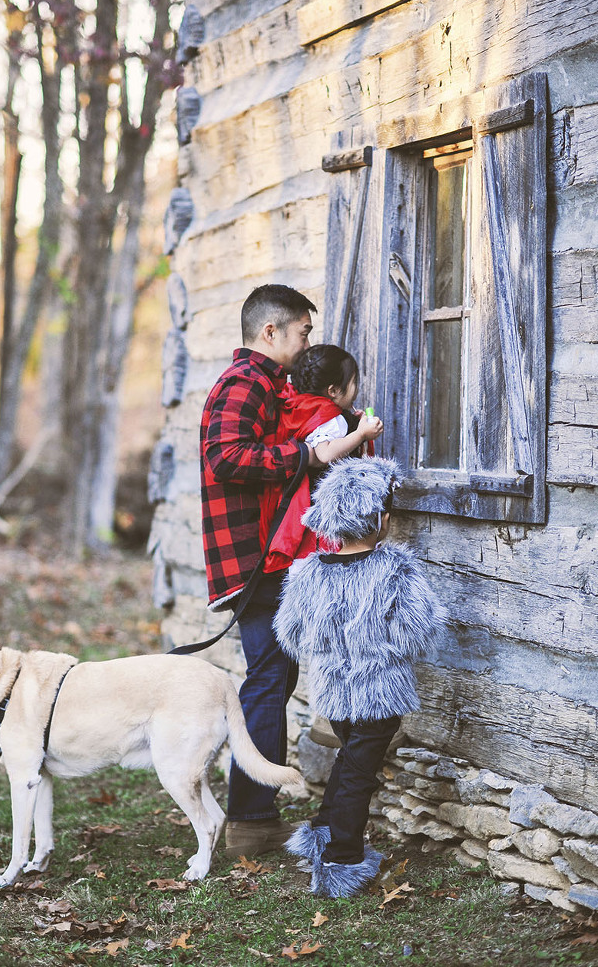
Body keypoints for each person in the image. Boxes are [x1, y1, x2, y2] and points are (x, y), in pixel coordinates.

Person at [273, 457, 447, 897]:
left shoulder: (308, 572)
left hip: (333, 693)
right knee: (357, 773)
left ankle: (321, 834)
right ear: (382, 519)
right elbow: (418, 628)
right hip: (379, 691)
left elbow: (291, 632)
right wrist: (379, 646)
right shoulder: (396, 568)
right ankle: (341, 858)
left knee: (349, 764)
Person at [199, 283, 320, 858]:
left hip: (266, 555)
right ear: (270, 332)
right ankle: (250, 820)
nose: (306, 343)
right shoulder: (244, 383)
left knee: (274, 676)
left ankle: (250, 813)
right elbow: (225, 457)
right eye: (302, 331)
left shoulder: (269, 386)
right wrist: (307, 456)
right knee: (270, 679)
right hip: (253, 558)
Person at [259, 344, 384, 576]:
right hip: (316, 502)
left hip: (291, 496)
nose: (357, 389)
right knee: (319, 560)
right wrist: (360, 435)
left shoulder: (299, 405)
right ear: (334, 390)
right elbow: (325, 453)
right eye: (354, 382)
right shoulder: (330, 417)